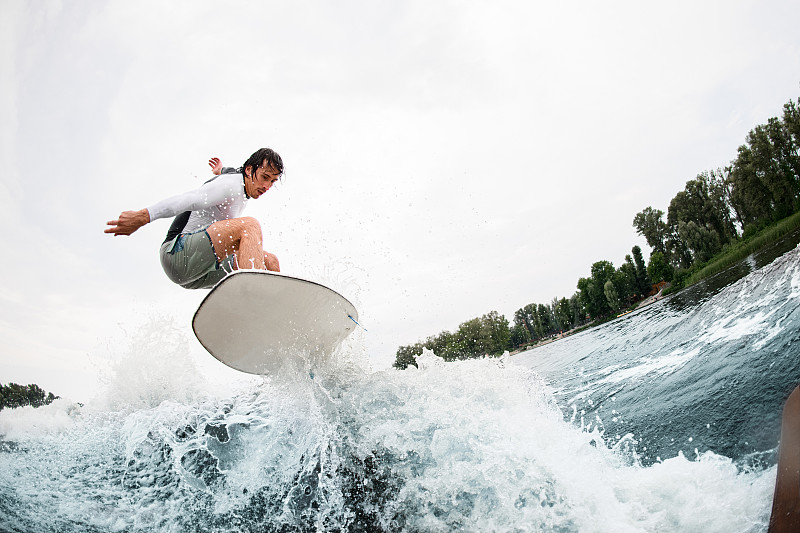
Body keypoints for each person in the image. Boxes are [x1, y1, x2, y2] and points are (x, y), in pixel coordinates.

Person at [105, 148, 283, 289]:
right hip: (177, 254)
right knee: (249, 226)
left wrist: (220, 169)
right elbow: (188, 199)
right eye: (264, 177)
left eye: (272, 182)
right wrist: (143, 216)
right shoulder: (231, 185)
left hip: (198, 272)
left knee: (270, 262)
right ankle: (253, 298)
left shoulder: (239, 183)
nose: (266, 186)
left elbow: (231, 170)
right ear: (249, 170)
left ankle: (266, 318)